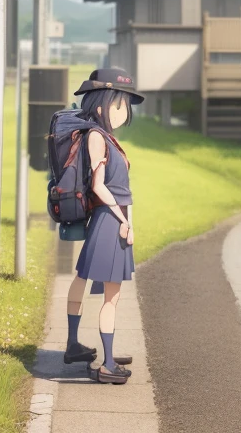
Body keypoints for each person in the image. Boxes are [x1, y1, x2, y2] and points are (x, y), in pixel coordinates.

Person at [63, 68, 144, 384]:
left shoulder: (104, 137)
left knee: (86, 280)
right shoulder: (97, 137)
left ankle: (78, 346)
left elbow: (124, 192)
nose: (123, 111)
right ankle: (107, 364)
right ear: (100, 103)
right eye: (117, 103)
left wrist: (129, 221)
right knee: (111, 295)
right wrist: (124, 221)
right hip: (110, 223)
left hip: (113, 221)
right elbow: (99, 186)